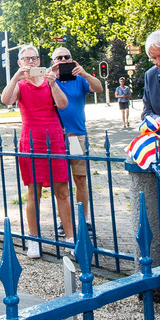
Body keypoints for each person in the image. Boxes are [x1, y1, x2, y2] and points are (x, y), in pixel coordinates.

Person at [0, 44, 73, 258]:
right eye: (26, 59)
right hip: (31, 141)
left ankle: (69, 238)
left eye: (34, 58)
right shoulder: (20, 85)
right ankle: (34, 240)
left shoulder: (51, 81)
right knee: (34, 193)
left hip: (54, 139)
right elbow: (6, 100)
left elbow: (63, 104)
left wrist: (53, 84)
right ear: (20, 62)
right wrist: (15, 77)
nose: (31, 62)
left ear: (39, 61)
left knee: (62, 192)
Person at [50, 46, 103, 237]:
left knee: (80, 178)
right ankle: (63, 221)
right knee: (60, 182)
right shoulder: (49, 80)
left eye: (67, 57)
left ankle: (84, 219)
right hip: (55, 138)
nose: (63, 60)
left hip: (75, 136)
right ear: (53, 60)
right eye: (59, 57)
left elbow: (98, 87)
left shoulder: (80, 79)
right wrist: (50, 76)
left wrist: (85, 73)